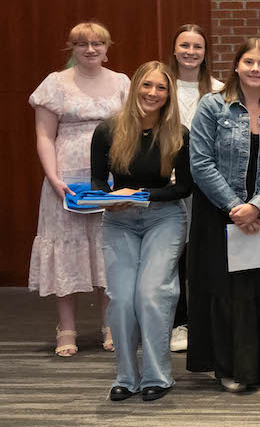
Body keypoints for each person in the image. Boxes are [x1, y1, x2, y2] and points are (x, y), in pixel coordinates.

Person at [188, 38, 260, 393]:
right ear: (236, 65)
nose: (255, 69)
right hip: (217, 214)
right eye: (248, 62)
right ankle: (230, 366)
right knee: (225, 293)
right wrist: (234, 206)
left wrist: (258, 205)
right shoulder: (212, 106)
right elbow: (200, 162)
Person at [92, 61, 193, 401]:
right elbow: (96, 181)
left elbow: (183, 189)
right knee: (121, 299)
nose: (152, 93)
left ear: (169, 94)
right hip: (118, 220)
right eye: (147, 85)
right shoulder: (108, 130)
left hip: (163, 218)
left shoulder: (178, 133)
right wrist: (107, 199)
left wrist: (140, 196)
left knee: (152, 294)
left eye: (161, 88)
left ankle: (158, 376)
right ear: (135, 86)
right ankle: (124, 376)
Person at [29, 21, 130, 357]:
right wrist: (54, 177)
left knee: (108, 251)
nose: (90, 49)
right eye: (82, 44)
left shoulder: (121, 83)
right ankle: (67, 328)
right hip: (65, 180)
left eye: (98, 43)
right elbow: (44, 136)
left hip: (109, 178)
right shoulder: (54, 84)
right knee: (67, 251)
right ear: (71, 47)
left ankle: (110, 324)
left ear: (107, 46)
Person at [168, 24, 224, 354]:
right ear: (174, 50)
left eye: (198, 47)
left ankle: (201, 320)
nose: (191, 52)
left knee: (200, 254)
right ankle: (178, 321)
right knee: (174, 254)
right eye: (184, 45)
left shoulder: (218, 90)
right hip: (170, 182)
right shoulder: (162, 86)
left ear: (205, 52)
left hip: (206, 183)